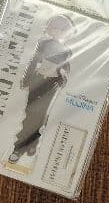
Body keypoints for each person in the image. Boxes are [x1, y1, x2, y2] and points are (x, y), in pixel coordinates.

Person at [9, 15, 74, 163]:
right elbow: (33, 61)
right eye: (54, 28)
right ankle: (21, 147)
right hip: (37, 81)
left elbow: (66, 69)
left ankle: (29, 145)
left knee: (41, 117)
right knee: (30, 114)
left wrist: (62, 76)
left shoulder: (67, 51)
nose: (56, 32)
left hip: (52, 85)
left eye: (60, 29)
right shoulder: (43, 43)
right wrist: (26, 79)